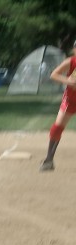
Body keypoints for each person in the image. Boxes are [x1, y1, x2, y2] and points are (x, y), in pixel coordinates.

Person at [40, 40, 76, 172]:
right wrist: (68, 81)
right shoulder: (70, 61)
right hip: (70, 100)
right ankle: (49, 160)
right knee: (56, 128)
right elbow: (54, 74)